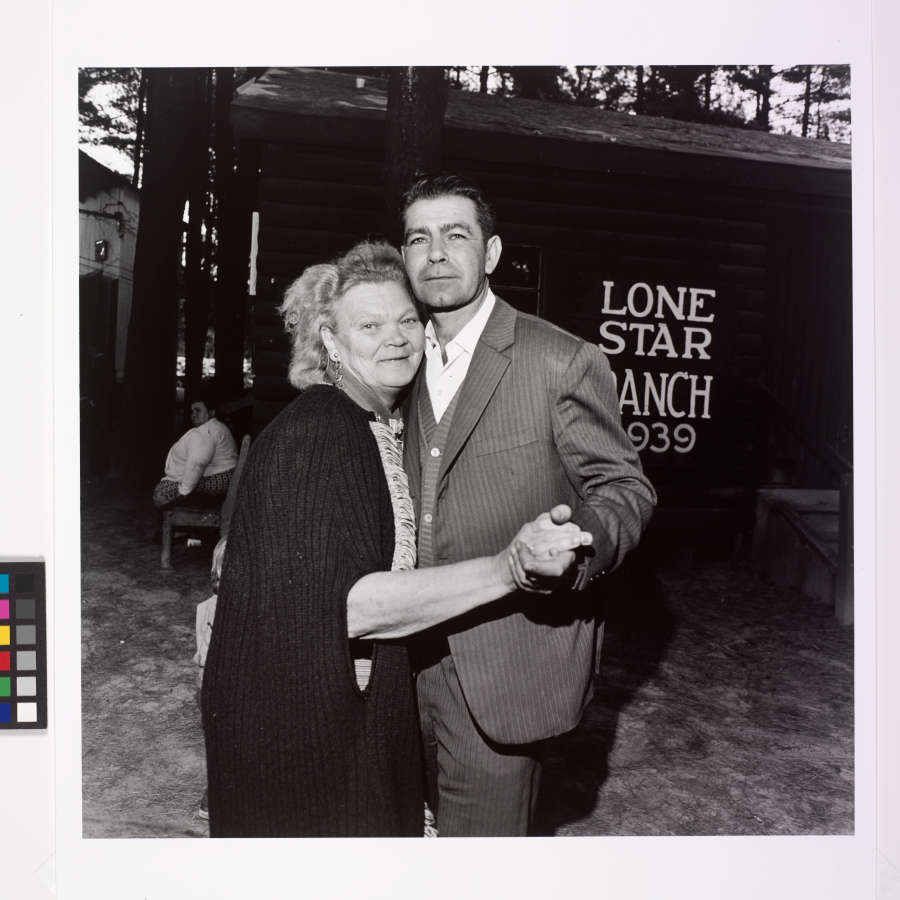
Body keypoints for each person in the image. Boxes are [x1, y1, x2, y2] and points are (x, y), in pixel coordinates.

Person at [200, 241, 593, 837]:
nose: (398, 337)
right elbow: (351, 607)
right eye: (370, 324)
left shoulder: (372, 424)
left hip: (322, 712)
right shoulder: (322, 431)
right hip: (303, 733)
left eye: (409, 319)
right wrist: (507, 569)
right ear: (331, 342)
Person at [399, 174, 657, 836]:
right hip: (402, 662)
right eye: (418, 238)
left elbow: (625, 488)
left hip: (503, 667)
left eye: (456, 235)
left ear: (490, 253)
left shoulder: (558, 359)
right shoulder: (394, 365)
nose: (435, 254)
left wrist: (577, 548)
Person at [151, 394, 238, 508]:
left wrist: (183, 492)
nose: (194, 414)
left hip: (218, 481)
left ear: (211, 413)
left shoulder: (206, 432)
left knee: (160, 494)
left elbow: (197, 464)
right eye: (192, 411)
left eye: (198, 410)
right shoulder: (214, 427)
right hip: (223, 478)